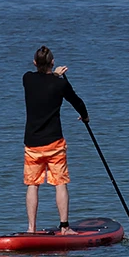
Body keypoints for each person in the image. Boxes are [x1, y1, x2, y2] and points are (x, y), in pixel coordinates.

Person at [23, 46, 89, 234]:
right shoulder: (60, 84)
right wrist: (85, 117)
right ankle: (64, 227)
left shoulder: (27, 79)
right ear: (53, 62)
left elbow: (40, 80)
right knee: (60, 183)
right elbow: (77, 101)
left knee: (32, 184)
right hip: (54, 143)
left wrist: (53, 75)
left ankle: (31, 229)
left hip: (32, 143)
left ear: (35, 63)